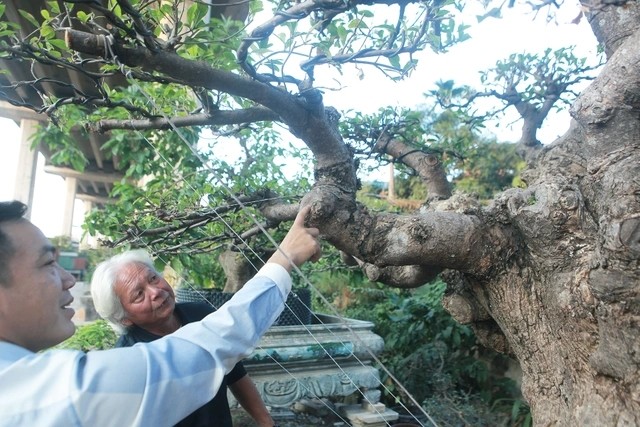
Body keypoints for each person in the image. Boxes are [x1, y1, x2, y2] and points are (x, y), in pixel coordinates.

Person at [0, 200, 321, 426]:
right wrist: (285, 258)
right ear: (124, 317)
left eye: (153, 278)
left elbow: (229, 362)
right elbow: (214, 343)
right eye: (47, 264)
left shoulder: (195, 310)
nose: (69, 279)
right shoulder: (60, 390)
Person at [91, 249, 275, 427]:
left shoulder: (203, 316)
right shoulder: (127, 359)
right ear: (123, 318)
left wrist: (266, 422)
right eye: (139, 294)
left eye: (153, 278)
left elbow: (235, 373)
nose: (155, 291)